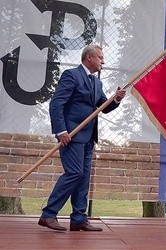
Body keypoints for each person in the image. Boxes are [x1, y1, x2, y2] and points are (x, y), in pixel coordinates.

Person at [38, 45, 126, 231]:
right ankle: (48, 214)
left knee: (84, 177)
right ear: (89, 57)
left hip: (88, 137)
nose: (103, 61)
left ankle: (78, 218)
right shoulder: (71, 75)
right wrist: (61, 130)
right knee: (75, 173)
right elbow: (56, 103)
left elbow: (104, 107)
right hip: (71, 135)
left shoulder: (97, 83)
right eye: (100, 57)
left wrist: (116, 99)